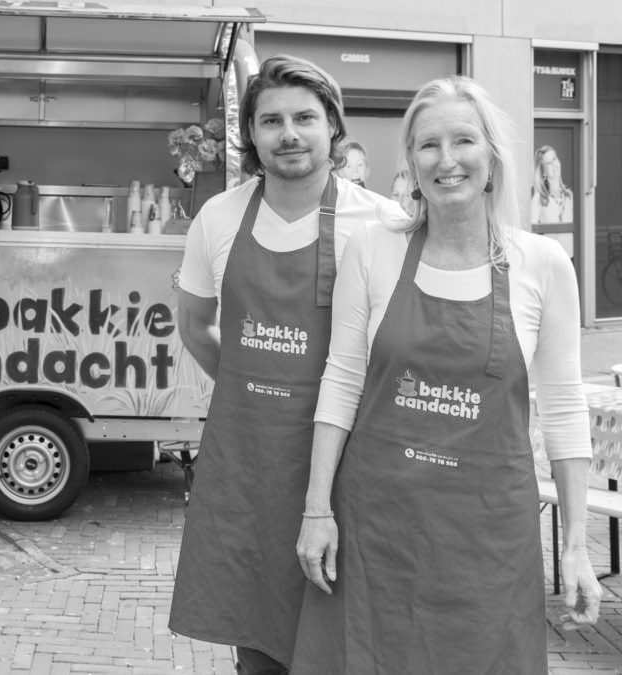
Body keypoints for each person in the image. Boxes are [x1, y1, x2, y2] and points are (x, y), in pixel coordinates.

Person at [293, 76, 601, 674]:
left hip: (489, 539)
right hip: (377, 529)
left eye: (463, 140)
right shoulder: (372, 249)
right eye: (428, 145)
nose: (447, 159)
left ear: (492, 156)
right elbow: (342, 381)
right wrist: (316, 510)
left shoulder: (542, 264)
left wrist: (575, 547)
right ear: (411, 163)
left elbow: (565, 410)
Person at [168, 55, 407, 675]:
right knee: (257, 634)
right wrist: (251, 392)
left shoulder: (382, 223)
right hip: (247, 466)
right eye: (271, 121)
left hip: (349, 465)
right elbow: (195, 326)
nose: (289, 134)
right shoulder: (218, 218)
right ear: (251, 133)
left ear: (333, 126)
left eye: (305, 118)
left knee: (345, 635)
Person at [531, 143, 575, 257]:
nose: (554, 164)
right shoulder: (539, 198)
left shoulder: (569, 196)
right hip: (551, 258)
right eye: (549, 163)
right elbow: (530, 233)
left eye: (554, 159)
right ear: (544, 172)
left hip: (572, 257)